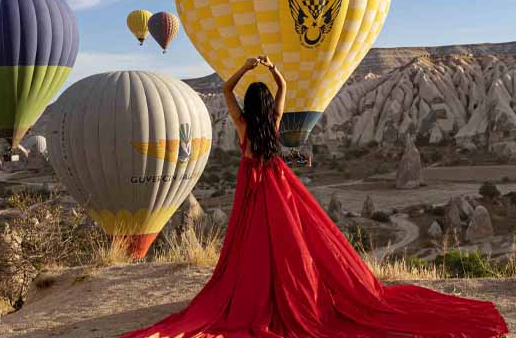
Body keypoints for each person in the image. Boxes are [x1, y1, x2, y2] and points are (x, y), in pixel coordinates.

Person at [121, 57, 509, 338]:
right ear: (269, 107)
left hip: (252, 194)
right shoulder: (273, 124)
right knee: (293, 244)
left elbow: (224, 90)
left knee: (251, 249)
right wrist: (272, 71)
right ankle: (290, 294)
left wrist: (244, 70)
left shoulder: (241, 125)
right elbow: (285, 90)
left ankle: (261, 297)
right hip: (279, 188)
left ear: (247, 107)